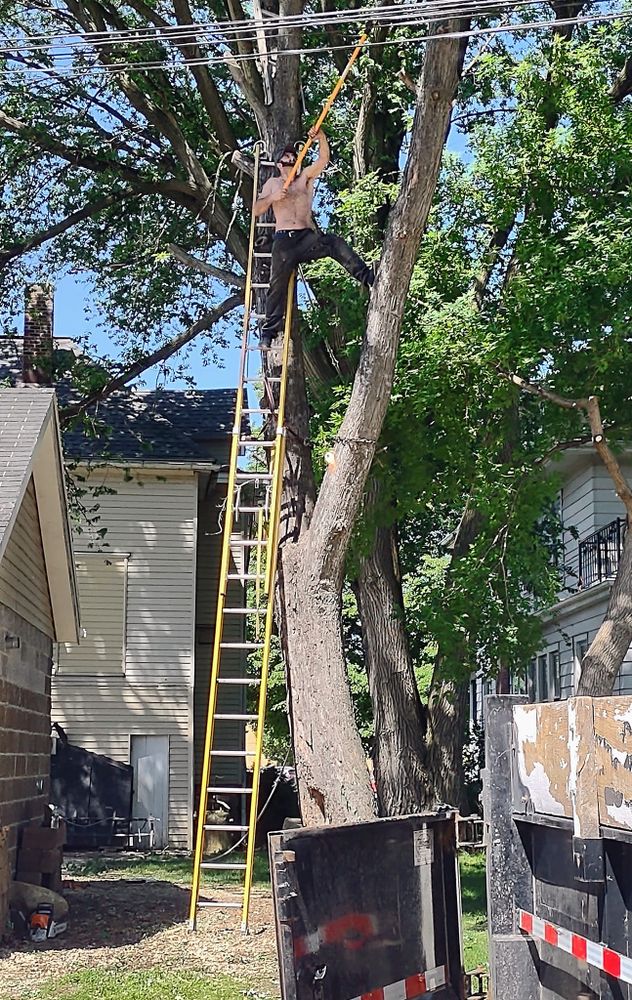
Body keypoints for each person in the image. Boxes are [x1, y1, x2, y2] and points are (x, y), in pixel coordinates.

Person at [253, 128, 375, 349]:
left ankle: (368, 277)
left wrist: (321, 138)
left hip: (306, 238)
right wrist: (273, 197)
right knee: (276, 285)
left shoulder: (304, 179)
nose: (292, 161)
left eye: (294, 158)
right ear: (280, 165)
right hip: (284, 241)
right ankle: (268, 332)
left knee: (333, 243)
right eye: (287, 159)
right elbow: (256, 210)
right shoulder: (273, 184)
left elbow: (323, 160)